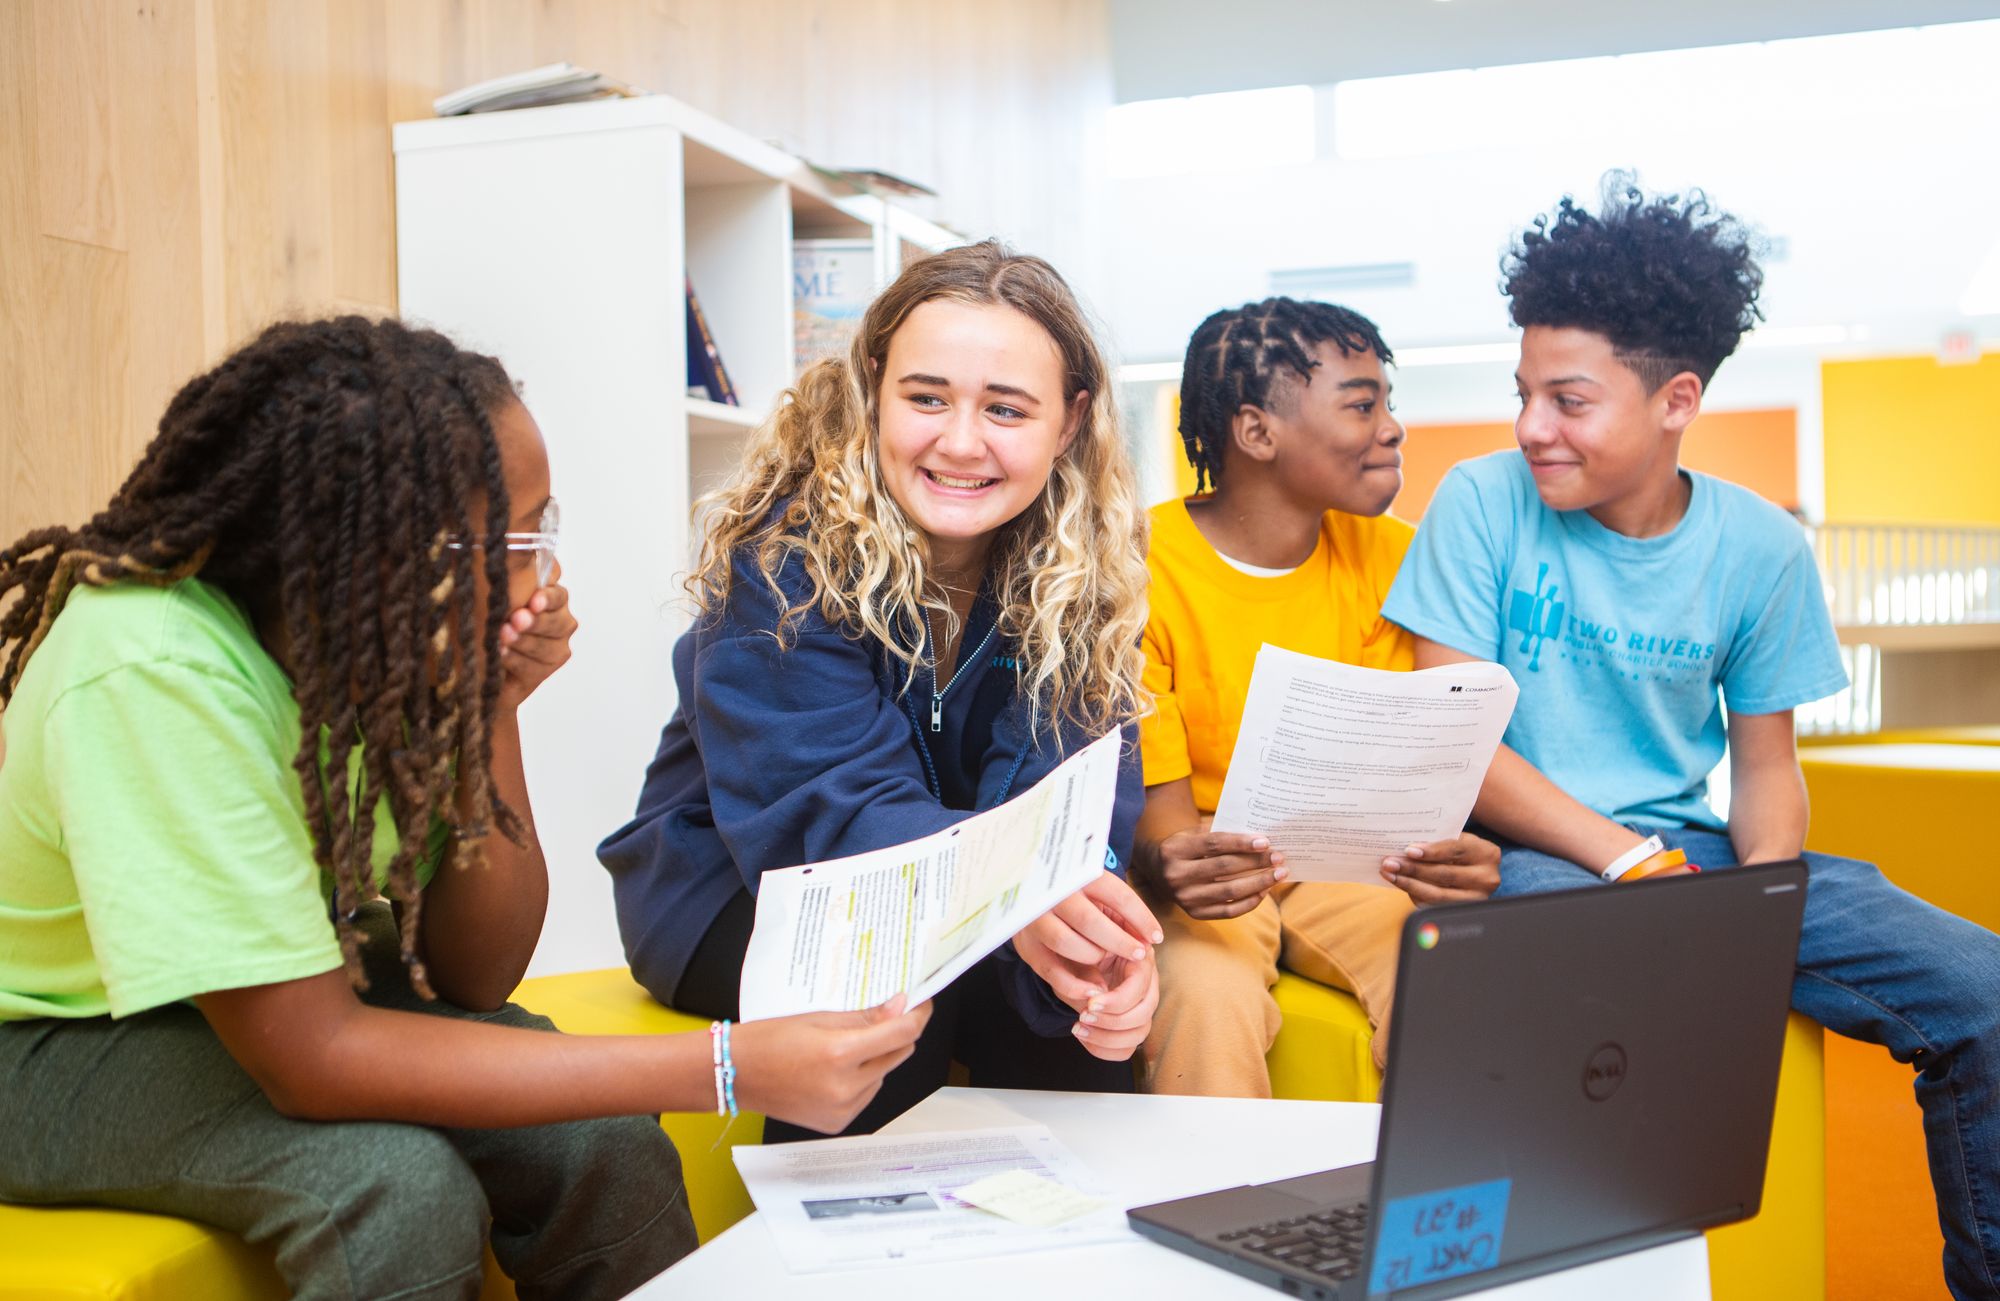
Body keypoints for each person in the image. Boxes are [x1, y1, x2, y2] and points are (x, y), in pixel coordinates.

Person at [0, 316, 929, 1300]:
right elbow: (313, 1056)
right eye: (507, 542)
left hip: (279, 998)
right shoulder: (151, 665)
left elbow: (475, 972)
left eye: (540, 532)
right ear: (362, 546)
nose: (541, 580)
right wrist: (725, 1066)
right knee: (397, 1191)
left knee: (601, 1142)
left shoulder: (372, 645)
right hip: (60, 1041)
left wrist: (487, 708)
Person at [1381, 176, 2000, 1300]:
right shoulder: (1477, 502)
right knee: (1591, 995)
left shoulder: (1758, 549)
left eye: (1567, 400)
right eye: (1522, 392)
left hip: (1691, 857)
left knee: (1985, 992)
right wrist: (1623, 859)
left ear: (1673, 399)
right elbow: (1458, 735)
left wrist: (1759, 901)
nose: (1530, 427)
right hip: (1539, 859)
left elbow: (1765, 764)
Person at [600, 242, 1162, 1140]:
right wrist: (1021, 897)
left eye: (1006, 409)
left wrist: (1094, 950)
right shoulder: (780, 565)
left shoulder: (1082, 581)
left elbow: (1071, 808)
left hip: (971, 889)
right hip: (737, 887)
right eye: (926, 396)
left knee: (1065, 1019)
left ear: (1068, 424)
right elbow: (831, 813)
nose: (960, 440)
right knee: (888, 985)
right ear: (873, 388)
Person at [1131, 298, 1500, 1097]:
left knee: (1461, 963)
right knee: (1205, 994)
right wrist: (1175, 865)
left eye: (1388, 402)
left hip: (1354, 866)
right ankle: (1226, 1217)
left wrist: (1455, 851)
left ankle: (1447, 1213)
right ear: (1258, 433)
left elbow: (1427, 769)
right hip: (1215, 871)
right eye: (1363, 404)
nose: (1393, 426)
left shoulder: (1399, 556)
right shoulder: (1140, 570)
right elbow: (1162, 829)